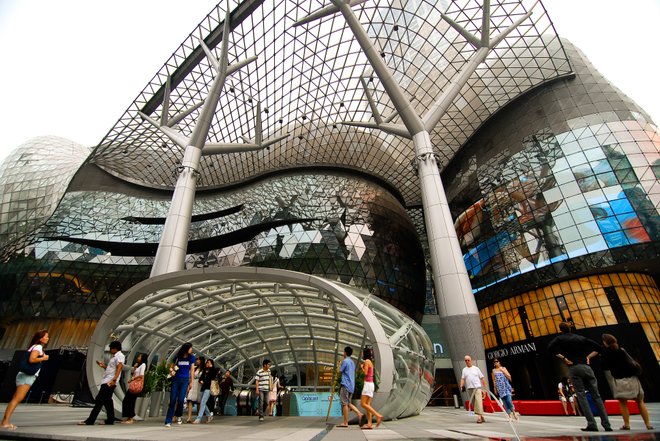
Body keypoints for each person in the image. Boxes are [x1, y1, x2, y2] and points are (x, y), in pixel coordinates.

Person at [548, 322, 612, 432]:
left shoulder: (560, 338)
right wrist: (588, 357)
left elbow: (550, 348)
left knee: (581, 396)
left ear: (561, 330)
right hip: (586, 367)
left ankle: (592, 424)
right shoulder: (580, 338)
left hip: (574, 367)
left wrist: (563, 358)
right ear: (570, 328)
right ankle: (607, 424)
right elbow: (598, 347)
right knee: (597, 396)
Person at [600, 333, 653, 430]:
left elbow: (604, 367)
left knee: (623, 403)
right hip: (633, 379)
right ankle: (648, 424)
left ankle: (627, 424)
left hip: (620, 380)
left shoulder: (606, 353)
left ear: (604, 342)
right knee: (640, 402)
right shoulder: (621, 350)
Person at [1, 329, 50, 430]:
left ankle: (5, 421)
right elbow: (32, 359)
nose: (48, 338)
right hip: (27, 376)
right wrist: (44, 358)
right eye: (46, 336)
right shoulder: (39, 347)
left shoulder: (33, 346)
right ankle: (4, 422)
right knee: (16, 399)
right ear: (41, 339)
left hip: (24, 375)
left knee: (15, 398)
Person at [79, 340, 125, 426]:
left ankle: (90, 420)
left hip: (109, 381)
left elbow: (120, 367)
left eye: (111, 348)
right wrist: (103, 366)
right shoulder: (115, 356)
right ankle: (110, 419)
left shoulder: (120, 356)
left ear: (115, 348)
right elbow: (112, 368)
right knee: (108, 401)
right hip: (108, 380)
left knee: (99, 400)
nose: (110, 350)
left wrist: (114, 379)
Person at [164, 342, 195, 428]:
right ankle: (168, 420)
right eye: (190, 348)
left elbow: (192, 370)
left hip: (185, 380)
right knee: (173, 399)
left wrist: (191, 382)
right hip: (176, 379)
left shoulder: (191, 358)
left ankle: (179, 415)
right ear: (186, 348)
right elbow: (172, 367)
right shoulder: (177, 357)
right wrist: (171, 370)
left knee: (181, 399)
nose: (191, 350)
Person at [336, 346, 362, 428]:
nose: (343, 353)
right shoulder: (352, 362)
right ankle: (359, 413)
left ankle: (345, 422)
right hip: (351, 385)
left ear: (345, 352)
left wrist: (339, 364)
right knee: (348, 403)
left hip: (345, 385)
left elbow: (339, 371)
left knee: (344, 404)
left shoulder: (345, 361)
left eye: (344, 352)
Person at [359, 347, 382, 429]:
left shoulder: (367, 361)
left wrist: (362, 367)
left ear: (365, 353)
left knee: (363, 404)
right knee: (368, 404)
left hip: (368, 384)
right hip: (371, 384)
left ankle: (378, 415)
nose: (361, 354)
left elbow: (365, 373)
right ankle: (369, 424)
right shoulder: (370, 362)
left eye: (362, 352)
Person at [460, 355, 487, 423]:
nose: (467, 361)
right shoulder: (464, 369)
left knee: (478, 402)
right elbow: (463, 379)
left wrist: (484, 389)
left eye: (468, 360)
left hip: (477, 388)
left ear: (471, 360)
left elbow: (482, 378)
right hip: (470, 388)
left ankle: (479, 417)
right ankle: (481, 416)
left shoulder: (476, 368)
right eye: (465, 360)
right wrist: (461, 385)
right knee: (474, 403)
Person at [121, 353, 146, 424]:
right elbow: (136, 374)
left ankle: (130, 418)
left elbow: (141, 375)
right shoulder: (139, 365)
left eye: (140, 356)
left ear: (143, 358)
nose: (138, 357)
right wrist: (135, 368)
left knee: (129, 401)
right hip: (134, 385)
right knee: (129, 400)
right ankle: (129, 417)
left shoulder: (143, 365)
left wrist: (132, 379)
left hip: (136, 386)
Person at [194, 359, 217, 423]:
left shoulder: (213, 370)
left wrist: (211, 367)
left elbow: (213, 376)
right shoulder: (204, 370)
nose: (207, 364)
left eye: (209, 363)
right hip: (203, 387)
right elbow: (201, 378)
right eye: (207, 363)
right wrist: (201, 381)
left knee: (203, 402)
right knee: (202, 402)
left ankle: (198, 418)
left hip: (208, 388)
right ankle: (209, 415)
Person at [186, 356, 203, 423]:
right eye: (197, 360)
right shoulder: (194, 368)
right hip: (193, 384)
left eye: (198, 360)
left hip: (199, 385)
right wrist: (189, 385)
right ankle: (189, 417)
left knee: (199, 402)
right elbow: (190, 377)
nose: (197, 361)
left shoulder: (204, 369)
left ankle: (198, 417)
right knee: (190, 400)